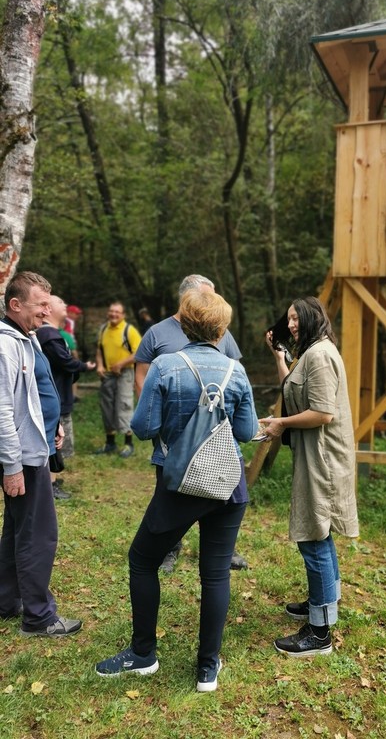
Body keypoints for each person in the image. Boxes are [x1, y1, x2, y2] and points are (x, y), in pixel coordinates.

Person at [95, 288, 258, 692]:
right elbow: (245, 431)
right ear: (222, 331)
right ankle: (207, 668)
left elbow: (144, 428)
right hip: (226, 482)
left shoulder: (166, 365)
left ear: (183, 324)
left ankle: (143, 654)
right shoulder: (236, 372)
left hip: (181, 483)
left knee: (142, 560)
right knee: (216, 573)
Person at [259, 296, 359, 658]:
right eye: (289, 318)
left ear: (313, 318)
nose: (292, 323)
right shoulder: (313, 353)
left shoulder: (320, 355)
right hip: (315, 457)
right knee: (320, 532)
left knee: (313, 535)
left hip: (324, 459)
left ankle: (319, 634)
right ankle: (324, 604)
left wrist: (280, 423)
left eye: (297, 318)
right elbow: (293, 393)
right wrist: (279, 358)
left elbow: (322, 413)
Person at [135, 274, 247, 573]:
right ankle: (170, 548)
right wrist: (153, 412)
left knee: (217, 498)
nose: (211, 304)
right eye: (205, 297)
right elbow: (142, 376)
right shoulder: (157, 334)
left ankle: (222, 548)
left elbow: (235, 372)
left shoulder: (222, 333)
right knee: (172, 501)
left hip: (217, 440)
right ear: (186, 301)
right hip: (174, 443)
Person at [0, 271, 82, 637]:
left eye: (49, 305)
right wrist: (12, 465)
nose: (47, 314)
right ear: (15, 304)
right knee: (39, 533)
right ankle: (38, 617)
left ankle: (6, 600)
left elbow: (32, 394)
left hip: (35, 446)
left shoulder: (24, 337)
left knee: (17, 528)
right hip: (23, 456)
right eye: (40, 305)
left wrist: (51, 427)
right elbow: (2, 409)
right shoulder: (5, 345)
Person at [36, 295, 96, 500]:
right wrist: (84, 366)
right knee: (55, 441)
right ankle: (50, 485)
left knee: (57, 439)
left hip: (59, 395)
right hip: (55, 398)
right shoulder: (48, 335)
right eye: (61, 302)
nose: (65, 305)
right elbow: (66, 362)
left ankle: (51, 480)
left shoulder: (52, 334)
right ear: (49, 309)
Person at [94, 301, 142, 458]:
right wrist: (100, 365)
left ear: (123, 315)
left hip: (125, 373)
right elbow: (99, 350)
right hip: (107, 374)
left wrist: (120, 364)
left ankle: (128, 444)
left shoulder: (129, 330)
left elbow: (139, 354)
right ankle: (110, 443)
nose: (113, 314)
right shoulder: (103, 329)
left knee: (124, 405)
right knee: (107, 407)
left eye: (117, 312)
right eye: (111, 311)